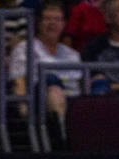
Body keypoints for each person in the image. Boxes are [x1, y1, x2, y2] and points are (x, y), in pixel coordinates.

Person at [9, 0, 80, 135]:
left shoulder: (73, 55)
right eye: (47, 18)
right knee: (52, 84)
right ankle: (61, 139)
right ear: (38, 22)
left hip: (74, 104)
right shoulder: (25, 49)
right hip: (40, 106)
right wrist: (24, 110)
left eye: (57, 19)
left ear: (64, 24)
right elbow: (19, 82)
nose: (52, 23)